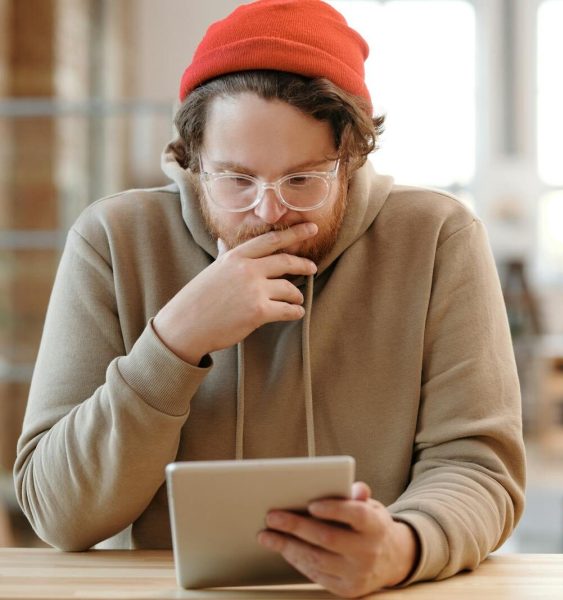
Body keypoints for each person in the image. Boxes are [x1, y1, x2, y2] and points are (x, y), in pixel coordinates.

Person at [13, 1, 526, 596]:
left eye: (303, 180)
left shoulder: (438, 237)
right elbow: (57, 515)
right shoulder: (113, 239)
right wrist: (174, 343)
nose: (268, 210)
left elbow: (477, 467)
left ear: (351, 157)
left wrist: (403, 546)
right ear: (192, 159)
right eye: (235, 180)